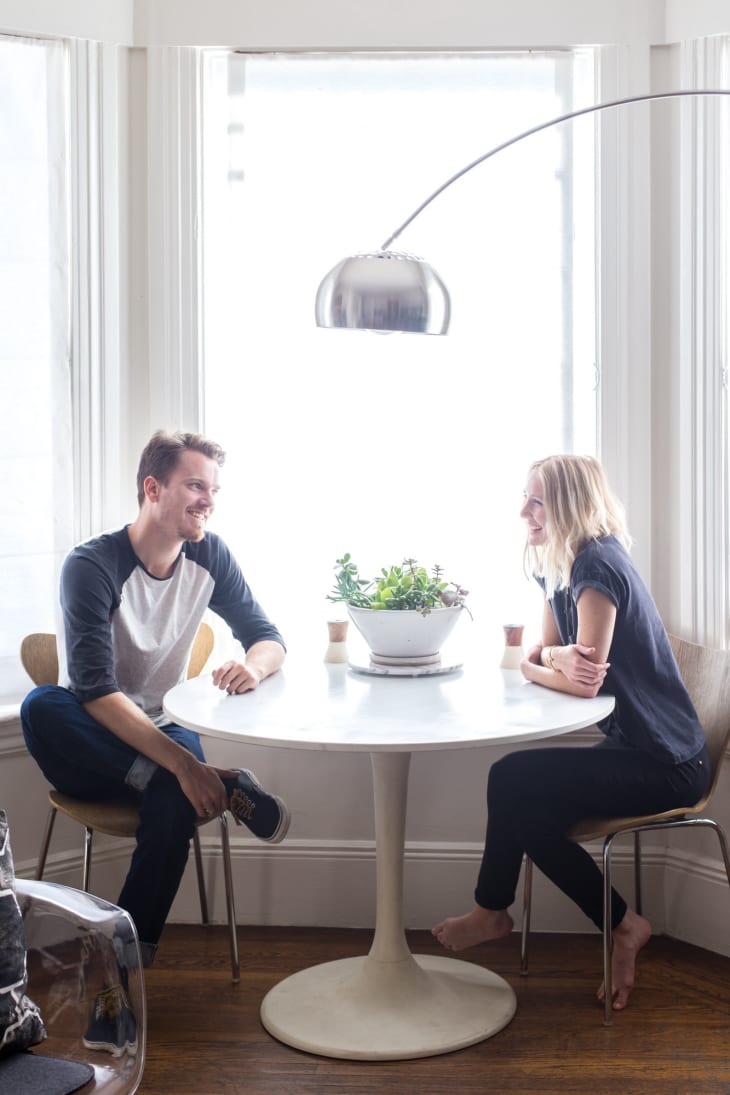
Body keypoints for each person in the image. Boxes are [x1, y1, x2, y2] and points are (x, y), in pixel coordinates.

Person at [21, 430, 289, 1049]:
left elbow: (268, 634)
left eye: (213, 490)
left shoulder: (209, 556)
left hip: (164, 729)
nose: (208, 501)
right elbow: (92, 690)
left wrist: (255, 665)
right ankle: (215, 782)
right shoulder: (93, 565)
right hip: (93, 738)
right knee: (42, 706)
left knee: (173, 800)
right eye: (196, 486)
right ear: (153, 488)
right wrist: (183, 766)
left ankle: (117, 977)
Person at [432, 454, 709, 1012]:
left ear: (569, 505)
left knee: (510, 777)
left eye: (538, 501)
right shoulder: (554, 561)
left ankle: (501, 911)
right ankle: (616, 923)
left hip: (669, 762)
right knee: (523, 805)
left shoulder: (598, 568)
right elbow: (543, 655)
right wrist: (550, 659)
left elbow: (583, 682)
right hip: (635, 745)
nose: (524, 511)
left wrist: (550, 661)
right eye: (526, 497)